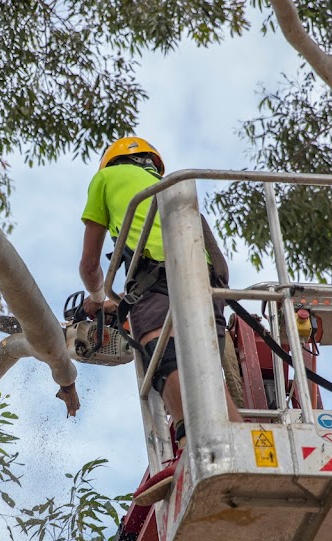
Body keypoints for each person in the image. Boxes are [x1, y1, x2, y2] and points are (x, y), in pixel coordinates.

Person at [78, 136, 243, 506]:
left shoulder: (105, 179)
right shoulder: (168, 191)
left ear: (112, 161)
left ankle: (190, 450)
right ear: (151, 162)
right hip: (205, 278)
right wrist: (117, 307)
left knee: (166, 363)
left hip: (154, 277)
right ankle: (242, 450)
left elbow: (90, 267)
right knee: (209, 375)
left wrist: (96, 297)